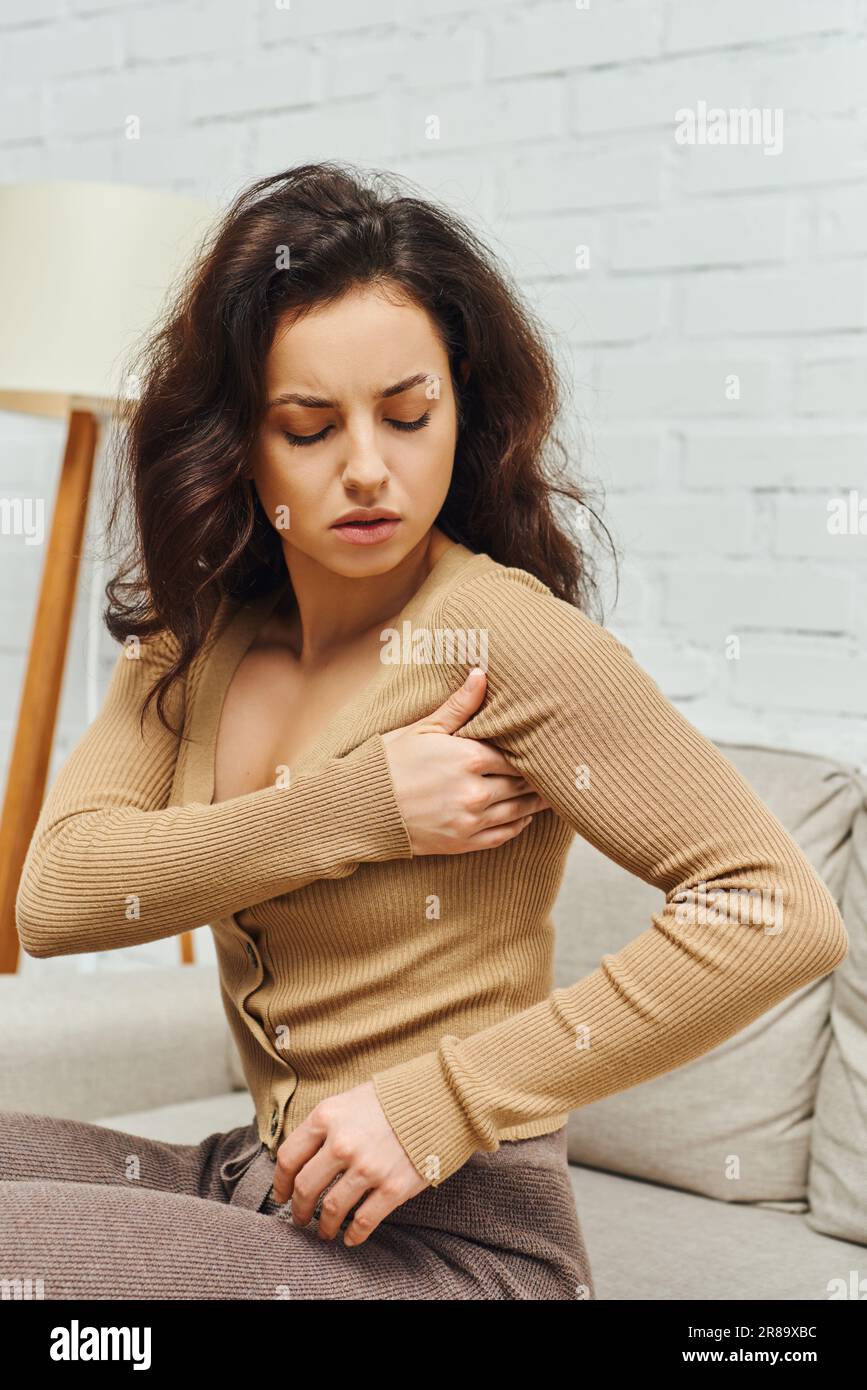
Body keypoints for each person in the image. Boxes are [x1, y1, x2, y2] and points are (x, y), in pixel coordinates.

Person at [1, 163, 848, 1301]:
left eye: (409, 416)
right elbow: (57, 899)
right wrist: (358, 808)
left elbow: (776, 910)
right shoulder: (195, 639)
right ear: (239, 442)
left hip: (462, 1251)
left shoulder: (506, 636)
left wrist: (441, 1099)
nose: (367, 469)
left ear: (464, 406)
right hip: (266, 1188)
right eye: (308, 427)